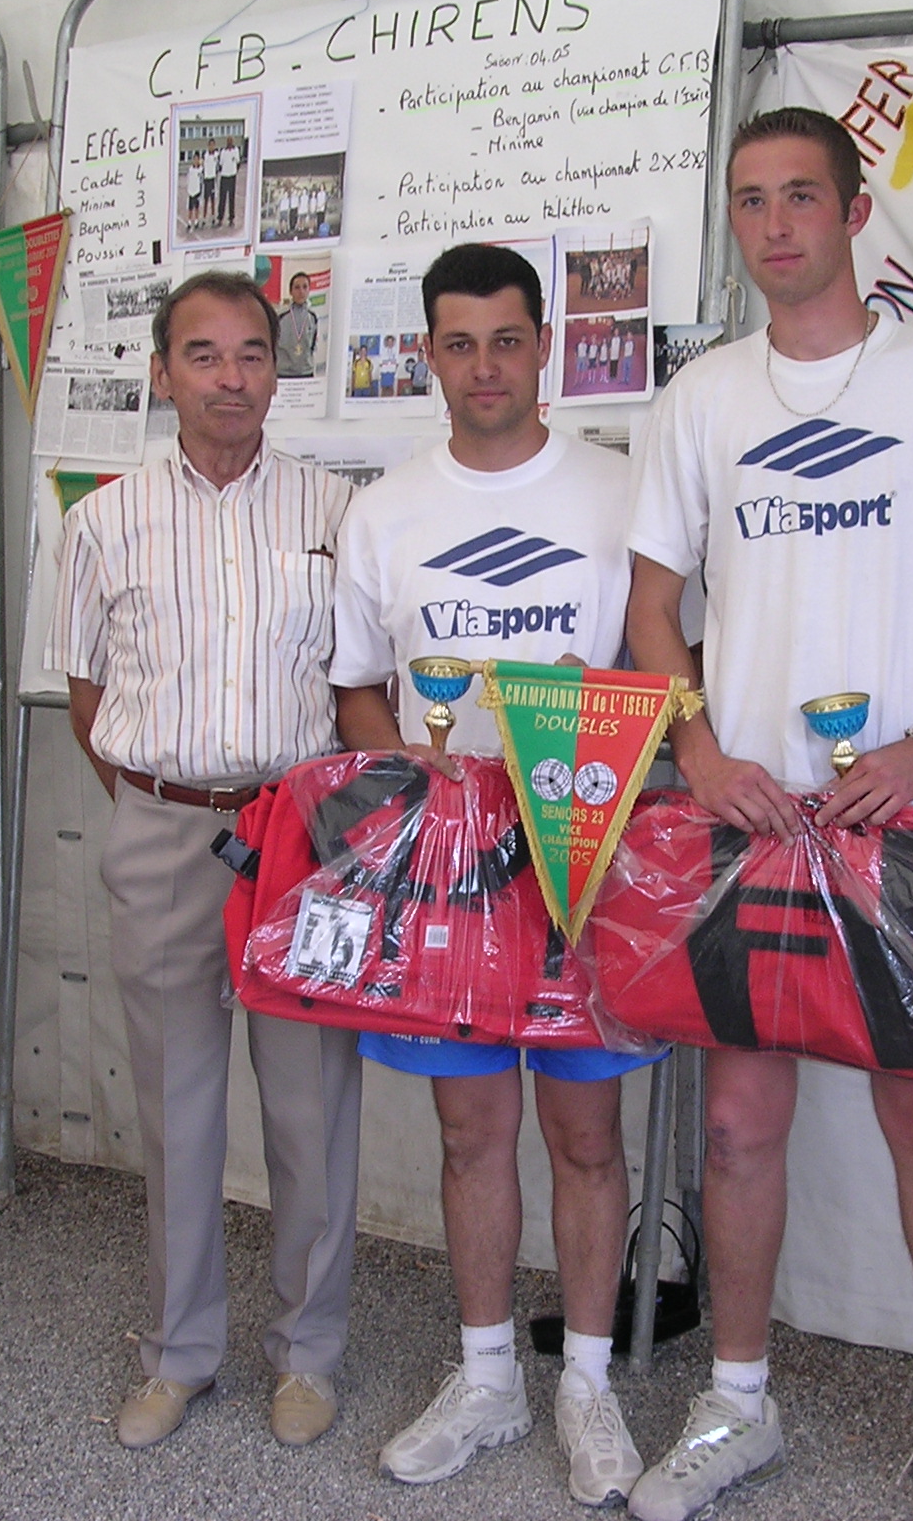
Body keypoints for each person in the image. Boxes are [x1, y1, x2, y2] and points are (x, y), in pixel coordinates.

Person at [623, 107, 913, 1521]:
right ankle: (736, 1407)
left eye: (801, 197)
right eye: (750, 201)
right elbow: (650, 609)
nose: (776, 227)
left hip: (905, 823)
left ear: (855, 210)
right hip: (753, 824)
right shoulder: (700, 401)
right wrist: (690, 747)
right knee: (742, 1127)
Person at [330, 242, 656, 1508]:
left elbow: (665, 664)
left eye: (505, 340)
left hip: (586, 855)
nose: (483, 367)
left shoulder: (622, 494)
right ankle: (484, 1377)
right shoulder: (385, 509)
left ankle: (582, 1380)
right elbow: (359, 682)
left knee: (583, 1131)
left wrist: (600, 743)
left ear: (546, 348)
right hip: (452, 867)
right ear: (427, 356)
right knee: (471, 1130)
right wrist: (413, 791)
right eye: (457, 344)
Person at [47, 271, 363, 1452]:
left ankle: (307, 1355)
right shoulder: (102, 521)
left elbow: (361, 683)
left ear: (275, 369)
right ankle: (180, 1354)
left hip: (302, 837)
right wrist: (165, 805)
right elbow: (86, 695)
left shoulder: (338, 511)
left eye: (250, 354)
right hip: (164, 829)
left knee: (308, 1110)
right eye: (204, 354)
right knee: (177, 1107)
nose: (231, 377)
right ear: (161, 372)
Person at [276, 270, 319, 380]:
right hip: (284, 374)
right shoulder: (280, 316)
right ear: (290, 291)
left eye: (305, 287)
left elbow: (312, 346)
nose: (301, 291)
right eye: (297, 287)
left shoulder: (312, 317)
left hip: (306, 373)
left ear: (309, 290)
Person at [217, 139, 241, 229]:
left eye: (231, 141)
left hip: (232, 176)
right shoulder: (223, 151)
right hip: (224, 176)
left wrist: (234, 171)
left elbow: (238, 162)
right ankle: (220, 218)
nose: (230, 143)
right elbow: (220, 164)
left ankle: (231, 219)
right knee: (222, 198)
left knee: (231, 198)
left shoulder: (236, 150)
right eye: (228, 141)